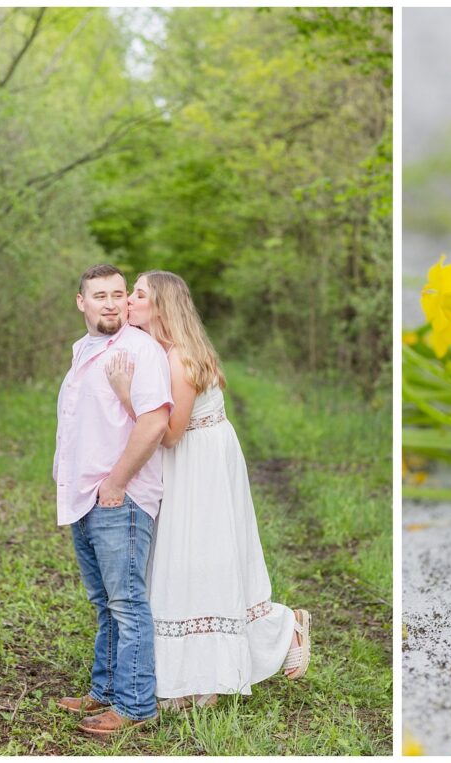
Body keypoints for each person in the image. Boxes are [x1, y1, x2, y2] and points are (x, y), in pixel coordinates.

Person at [103, 270, 310, 708]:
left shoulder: (179, 358)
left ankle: (273, 633)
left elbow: (172, 434)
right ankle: (192, 672)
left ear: (159, 306)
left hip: (198, 460)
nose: (128, 302)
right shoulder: (161, 348)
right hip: (197, 457)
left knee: (199, 557)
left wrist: (125, 394)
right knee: (185, 557)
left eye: (137, 295)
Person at [53, 264, 173, 736]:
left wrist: (117, 482)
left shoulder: (138, 349)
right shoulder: (84, 349)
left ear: (127, 301)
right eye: (98, 295)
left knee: (126, 602)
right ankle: (103, 691)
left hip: (117, 497)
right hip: (84, 495)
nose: (110, 302)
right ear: (81, 302)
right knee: (104, 601)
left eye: (118, 294)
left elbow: (153, 423)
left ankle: (137, 704)